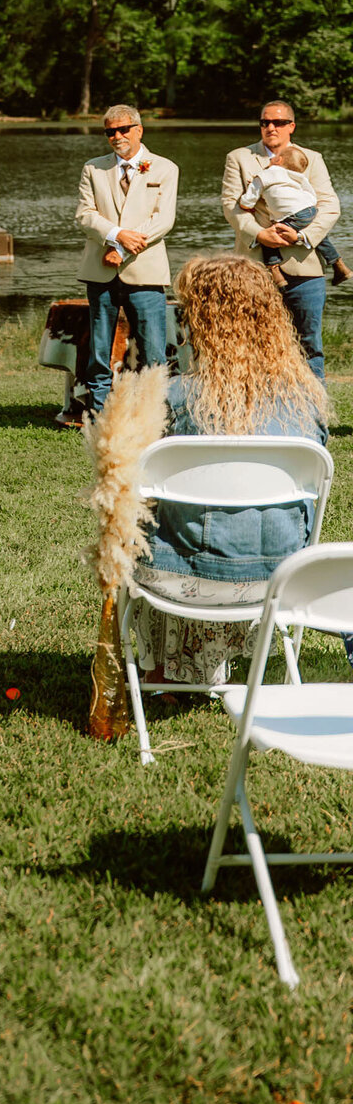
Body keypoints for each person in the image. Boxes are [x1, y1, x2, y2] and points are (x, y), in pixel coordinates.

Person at [129, 254, 330, 686]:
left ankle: (170, 667)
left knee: (139, 523)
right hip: (282, 578)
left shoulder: (174, 397)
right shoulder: (307, 400)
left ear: (201, 322)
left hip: (181, 578)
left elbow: (137, 485)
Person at [221, 100, 340, 380]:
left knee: (309, 345)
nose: (271, 127)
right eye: (265, 122)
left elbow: (330, 205)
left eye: (278, 122)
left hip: (304, 267)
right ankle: (257, 406)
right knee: (251, 343)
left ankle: (313, 407)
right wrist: (259, 234)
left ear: (291, 126)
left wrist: (302, 235)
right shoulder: (239, 158)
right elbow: (231, 206)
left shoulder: (312, 158)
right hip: (253, 268)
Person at [74, 104, 178, 419]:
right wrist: (117, 235)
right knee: (99, 350)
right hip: (100, 271)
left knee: (153, 350)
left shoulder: (165, 168)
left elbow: (163, 221)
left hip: (146, 272)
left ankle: (154, 414)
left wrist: (122, 249)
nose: (117, 136)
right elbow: (84, 215)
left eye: (123, 129)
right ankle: (99, 414)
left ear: (139, 130)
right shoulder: (93, 168)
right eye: (110, 131)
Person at [237, 140, 350, 289]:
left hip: (293, 215)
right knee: (320, 237)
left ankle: (274, 270)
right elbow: (310, 192)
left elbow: (249, 199)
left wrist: (245, 205)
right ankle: (338, 264)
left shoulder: (265, 174)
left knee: (270, 237)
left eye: (274, 157)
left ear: (278, 160)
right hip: (309, 209)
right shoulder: (297, 176)